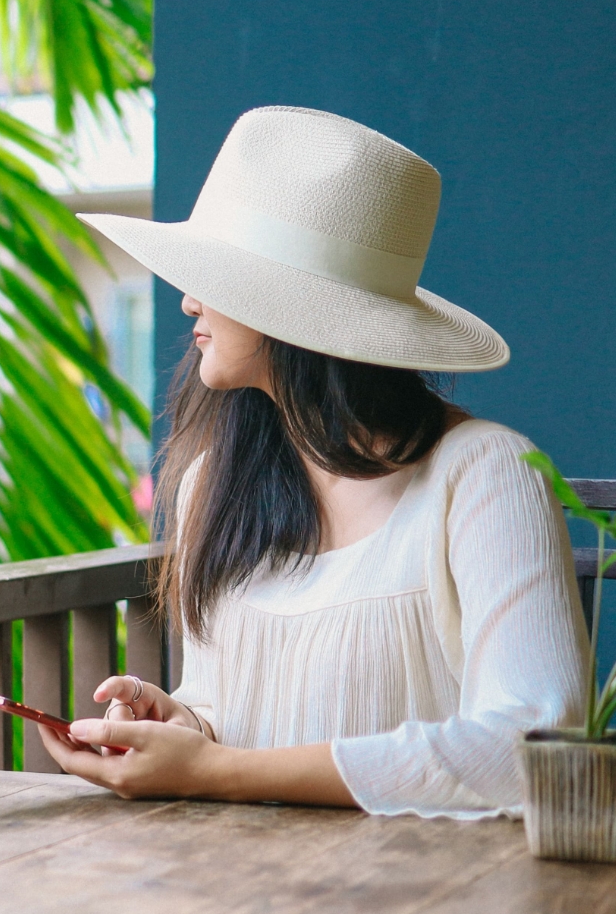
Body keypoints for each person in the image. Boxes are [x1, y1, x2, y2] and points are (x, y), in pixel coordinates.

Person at [51, 105, 589, 817]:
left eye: (216, 276)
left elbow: (532, 745)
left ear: (292, 312)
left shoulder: (485, 474)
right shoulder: (217, 481)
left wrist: (214, 771)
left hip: (425, 909)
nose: (187, 302)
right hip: (243, 898)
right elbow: (227, 715)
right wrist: (186, 726)